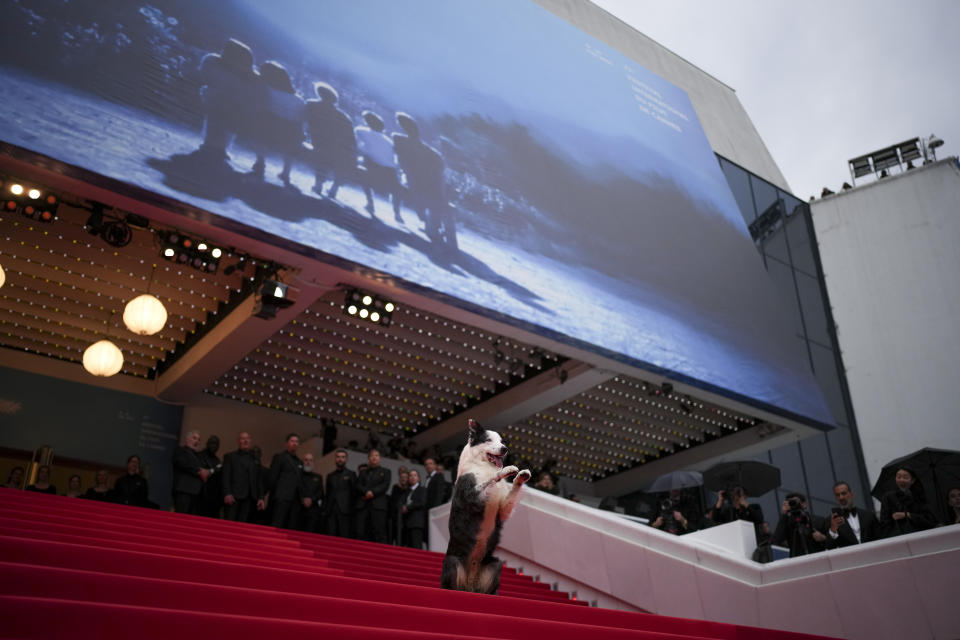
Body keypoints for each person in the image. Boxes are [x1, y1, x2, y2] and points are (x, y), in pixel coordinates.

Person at [195, 38, 261, 164]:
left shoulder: (213, 61)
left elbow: (204, 76)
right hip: (232, 105)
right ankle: (219, 147)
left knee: (215, 118)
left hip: (215, 100)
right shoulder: (252, 77)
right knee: (229, 120)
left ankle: (210, 144)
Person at [249, 60, 304, 186]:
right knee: (295, 134)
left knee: (259, 123)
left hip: (270, 130)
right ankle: (286, 171)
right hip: (292, 135)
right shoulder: (298, 99)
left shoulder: (266, 89)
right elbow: (300, 120)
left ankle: (260, 161)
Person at [304, 81, 356, 199]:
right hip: (336, 148)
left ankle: (318, 185)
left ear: (319, 93)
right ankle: (334, 188)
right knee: (342, 156)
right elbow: (351, 139)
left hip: (318, 142)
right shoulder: (343, 116)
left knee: (325, 154)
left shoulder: (311, 105)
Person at [354, 110, 400, 219]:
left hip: (373, 167)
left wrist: (364, 151)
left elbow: (356, 145)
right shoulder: (389, 142)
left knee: (366, 164)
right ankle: (397, 213)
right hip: (390, 172)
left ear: (367, 122)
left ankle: (370, 202)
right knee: (395, 189)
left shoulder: (361, 131)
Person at [879, 466, 938, 538]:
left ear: (912, 480)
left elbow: (929, 519)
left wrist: (908, 515)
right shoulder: (888, 497)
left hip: (921, 535)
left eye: (905, 477)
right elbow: (885, 522)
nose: (901, 479)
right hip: (899, 536)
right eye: (898, 477)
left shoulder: (919, 496)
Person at [221, 432, 265, 523]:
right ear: (238, 441)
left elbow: (259, 480)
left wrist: (261, 497)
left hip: (249, 498)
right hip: (233, 497)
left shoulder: (255, 459)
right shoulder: (230, 457)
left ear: (250, 441)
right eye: (242, 438)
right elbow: (226, 477)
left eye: (247, 438)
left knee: (242, 525)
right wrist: (227, 493)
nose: (245, 441)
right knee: (229, 524)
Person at [824, 481, 880, 548]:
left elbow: (880, 538)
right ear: (836, 498)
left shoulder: (869, 515)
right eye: (837, 495)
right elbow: (829, 547)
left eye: (844, 493)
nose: (841, 497)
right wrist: (833, 530)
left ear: (851, 494)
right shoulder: (832, 521)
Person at [772, 492, 829, 557]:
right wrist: (784, 515)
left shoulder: (819, 521)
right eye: (791, 503)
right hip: (797, 561)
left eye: (795, 502)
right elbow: (776, 541)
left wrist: (823, 538)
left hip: (818, 559)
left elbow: (832, 543)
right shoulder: (787, 523)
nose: (793, 505)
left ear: (804, 504)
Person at [355, 448, 391, 543]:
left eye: (376, 455)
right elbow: (358, 485)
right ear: (368, 458)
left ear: (380, 458)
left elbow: (385, 485)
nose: (374, 457)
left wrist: (372, 492)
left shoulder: (386, 471)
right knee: (361, 531)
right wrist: (367, 491)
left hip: (378, 506)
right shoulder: (363, 472)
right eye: (372, 455)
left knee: (379, 531)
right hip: (363, 505)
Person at [267, 433, 303, 529]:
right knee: (277, 524)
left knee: (290, 527)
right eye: (292, 441)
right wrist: (274, 496)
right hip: (281, 497)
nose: (294, 443)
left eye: (296, 442)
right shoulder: (279, 457)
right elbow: (273, 478)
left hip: (295, 500)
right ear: (287, 443)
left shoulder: (300, 462)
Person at [172, 430, 209, 514]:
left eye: (199, 439)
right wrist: (199, 471)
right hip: (184, 491)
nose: (197, 441)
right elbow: (182, 464)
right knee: (181, 518)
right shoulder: (180, 450)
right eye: (194, 438)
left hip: (197, 493)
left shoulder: (199, 456)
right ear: (187, 439)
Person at [323, 448, 356, 537]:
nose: (340, 459)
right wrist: (325, 510)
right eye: (338, 457)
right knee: (330, 535)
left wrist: (352, 510)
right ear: (335, 459)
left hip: (345, 511)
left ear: (346, 459)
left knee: (344, 535)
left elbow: (354, 493)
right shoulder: (330, 476)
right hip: (331, 510)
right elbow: (327, 494)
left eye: (343, 457)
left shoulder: (351, 474)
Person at [197, 435, 223, 518]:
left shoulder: (217, 461)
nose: (214, 446)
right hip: (199, 493)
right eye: (212, 443)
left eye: (216, 444)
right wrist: (213, 470)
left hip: (212, 496)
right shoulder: (199, 455)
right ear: (207, 444)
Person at [299, 452, 324, 533]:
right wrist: (302, 499)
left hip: (313, 511)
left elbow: (320, 493)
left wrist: (311, 500)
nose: (308, 462)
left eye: (310, 460)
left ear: (313, 462)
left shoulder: (318, 477)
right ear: (302, 462)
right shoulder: (297, 475)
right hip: (298, 509)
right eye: (306, 460)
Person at [402, 469, 427, 549]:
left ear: (418, 478)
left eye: (415, 475)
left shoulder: (422, 489)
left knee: (416, 546)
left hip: (416, 522)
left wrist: (408, 507)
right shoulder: (407, 491)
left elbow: (421, 502)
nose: (412, 477)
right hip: (406, 523)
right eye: (410, 475)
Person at [387, 469, 410, 545]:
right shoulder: (395, 488)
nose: (403, 479)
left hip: (404, 520)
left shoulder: (410, 491)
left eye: (405, 477)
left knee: (402, 541)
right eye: (402, 477)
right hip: (393, 518)